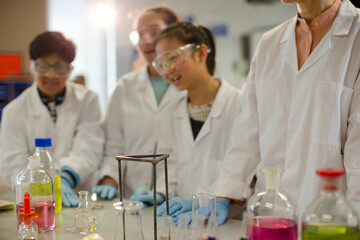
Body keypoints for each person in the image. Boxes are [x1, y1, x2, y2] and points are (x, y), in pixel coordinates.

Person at [213, 0, 360, 217]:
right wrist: (225, 193)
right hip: (270, 215)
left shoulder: (355, 37)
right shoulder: (269, 43)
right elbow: (247, 131)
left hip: (331, 217)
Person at [136, 22, 242, 225]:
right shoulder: (171, 110)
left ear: (201, 53)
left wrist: (210, 201)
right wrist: (159, 193)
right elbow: (169, 165)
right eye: (161, 64)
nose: (168, 70)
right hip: (180, 222)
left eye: (173, 58)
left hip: (226, 223)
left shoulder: (240, 104)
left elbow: (245, 172)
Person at [0, 31, 104, 207]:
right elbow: (12, 165)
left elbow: (89, 148)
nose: (51, 75)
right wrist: (45, 188)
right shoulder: (14, 112)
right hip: (35, 203)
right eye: (43, 66)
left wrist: (64, 177)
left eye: (59, 67)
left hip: (79, 197)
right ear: (31, 66)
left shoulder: (88, 100)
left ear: (70, 70)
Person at [92, 7, 185, 201]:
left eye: (154, 32)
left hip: (178, 199)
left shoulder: (187, 86)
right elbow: (113, 147)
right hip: (131, 199)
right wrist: (109, 181)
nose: (146, 41)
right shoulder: (125, 88)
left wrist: (161, 192)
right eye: (140, 35)